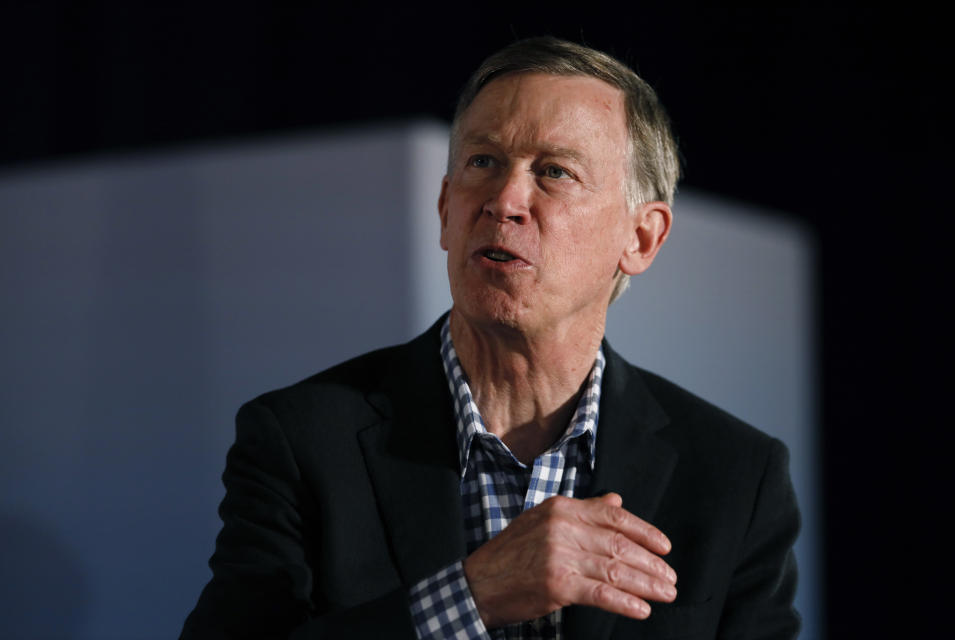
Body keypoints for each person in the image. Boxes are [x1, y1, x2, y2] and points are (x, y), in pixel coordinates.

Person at [181, 37, 800, 640]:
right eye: (483, 162)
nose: (504, 200)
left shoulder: (733, 475)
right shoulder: (302, 440)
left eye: (555, 171)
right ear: (446, 207)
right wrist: (467, 600)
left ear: (640, 239)